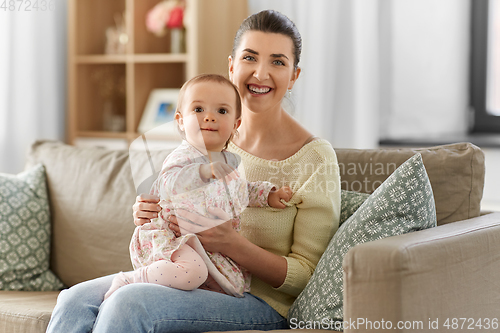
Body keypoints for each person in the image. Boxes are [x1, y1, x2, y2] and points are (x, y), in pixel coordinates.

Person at [47, 9, 341, 332]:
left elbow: (306, 275)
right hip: (191, 274)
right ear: (232, 66)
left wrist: (231, 243)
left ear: (294, 75)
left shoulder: (315, 158)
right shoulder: (204, 141)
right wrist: (150, 208)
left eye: (278, 62)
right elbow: (172, 186)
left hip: (255, 300)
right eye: (250, 58)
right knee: (72, 300)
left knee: (128, 304)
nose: (260, 73)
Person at [104, 74, 292, 300]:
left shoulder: (229, 161)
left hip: (205, 245)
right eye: (198, 110)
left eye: (221, 111)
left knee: (227, 285)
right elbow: (170, 183)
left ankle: (164, 287)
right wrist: (204, 171)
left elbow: (240, 190)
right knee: (193, 273)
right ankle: (130, 280)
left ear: (235, 124)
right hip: (170, 237)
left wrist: (268, 195)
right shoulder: (183, 156)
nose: (209, 117)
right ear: (180, 120)